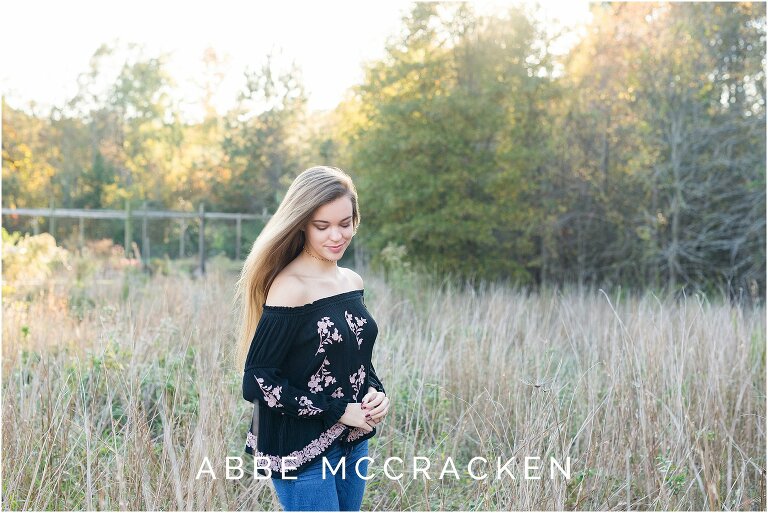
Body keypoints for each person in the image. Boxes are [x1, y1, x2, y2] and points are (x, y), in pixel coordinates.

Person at [234, 166, 390, 511]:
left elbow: (354, 359)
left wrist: (376, 392)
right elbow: (257, 382)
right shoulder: (291, 288)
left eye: (345, 223)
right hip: (297, 447)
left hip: (352, 438)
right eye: (323, 226)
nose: (336, 236)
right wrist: (339, 411)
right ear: (302, 223)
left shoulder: (352, 281)